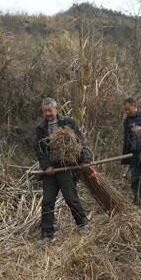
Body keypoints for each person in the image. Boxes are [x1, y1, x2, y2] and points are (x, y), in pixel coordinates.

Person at [34, 98, 91, 246]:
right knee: (47, 201)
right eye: (45, 111)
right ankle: (47, 233)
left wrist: (85, 160)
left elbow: (80, 142)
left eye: (50, 110)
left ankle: (83, 225)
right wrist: (46, 166)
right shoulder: (41, 128)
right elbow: (39, 150)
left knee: (71, 198)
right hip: (50, 171)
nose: (48, 113)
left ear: (56, 109)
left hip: (66, 166)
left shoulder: (67, 123)